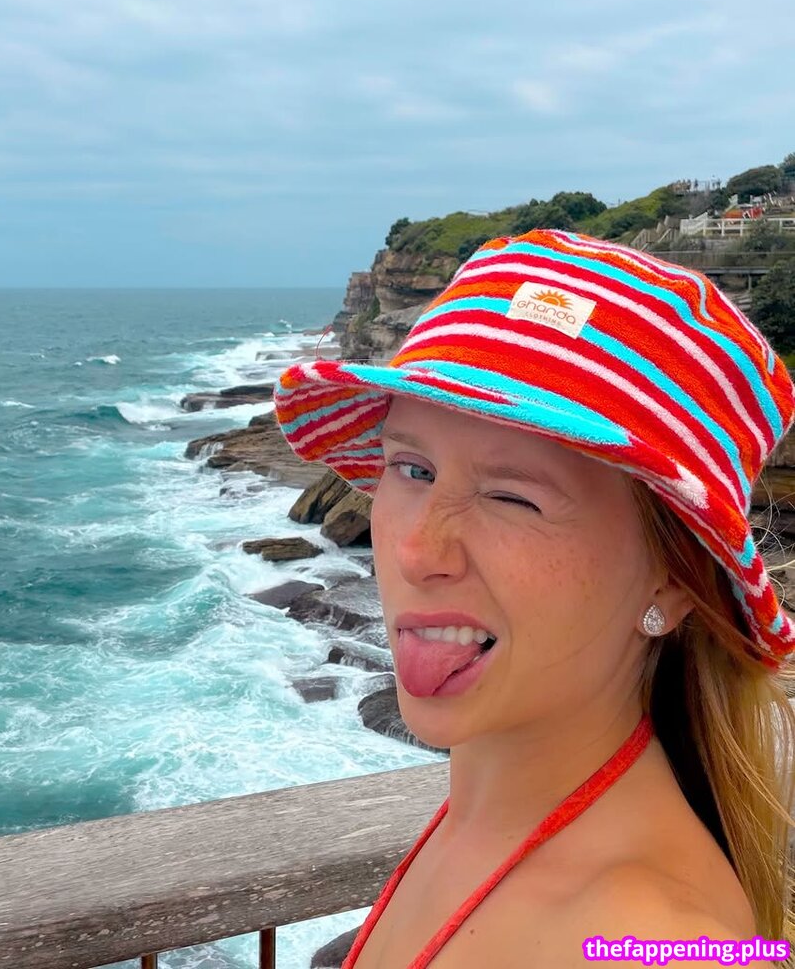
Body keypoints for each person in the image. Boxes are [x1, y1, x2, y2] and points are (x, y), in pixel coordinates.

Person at [274, 228, 795, 968]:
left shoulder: (655, 942)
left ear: (675, 580)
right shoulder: (491, 822)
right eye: (412, 469)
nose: (416, 552)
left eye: (513, 498)